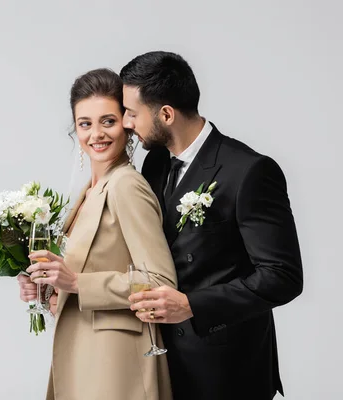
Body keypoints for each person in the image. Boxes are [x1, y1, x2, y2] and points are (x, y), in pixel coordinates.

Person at [121, 51, 303, 400]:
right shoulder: (155, 162)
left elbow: (283, 276)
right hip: (160, 359)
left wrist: (192, 305)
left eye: (132, 113)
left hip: (227, 367)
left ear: (166, 114)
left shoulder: (249, 171)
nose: (127, 122)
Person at [17, 68, 177, 400]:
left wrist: (75, 283)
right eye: (85, 124)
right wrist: (44, 288)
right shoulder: (89, 192)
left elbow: (161, 282)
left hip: (117, 361)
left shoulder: (127, 186)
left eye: (108, 121)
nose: (96, 134)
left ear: (127, 125)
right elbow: (79, 276)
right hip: (83, 352)